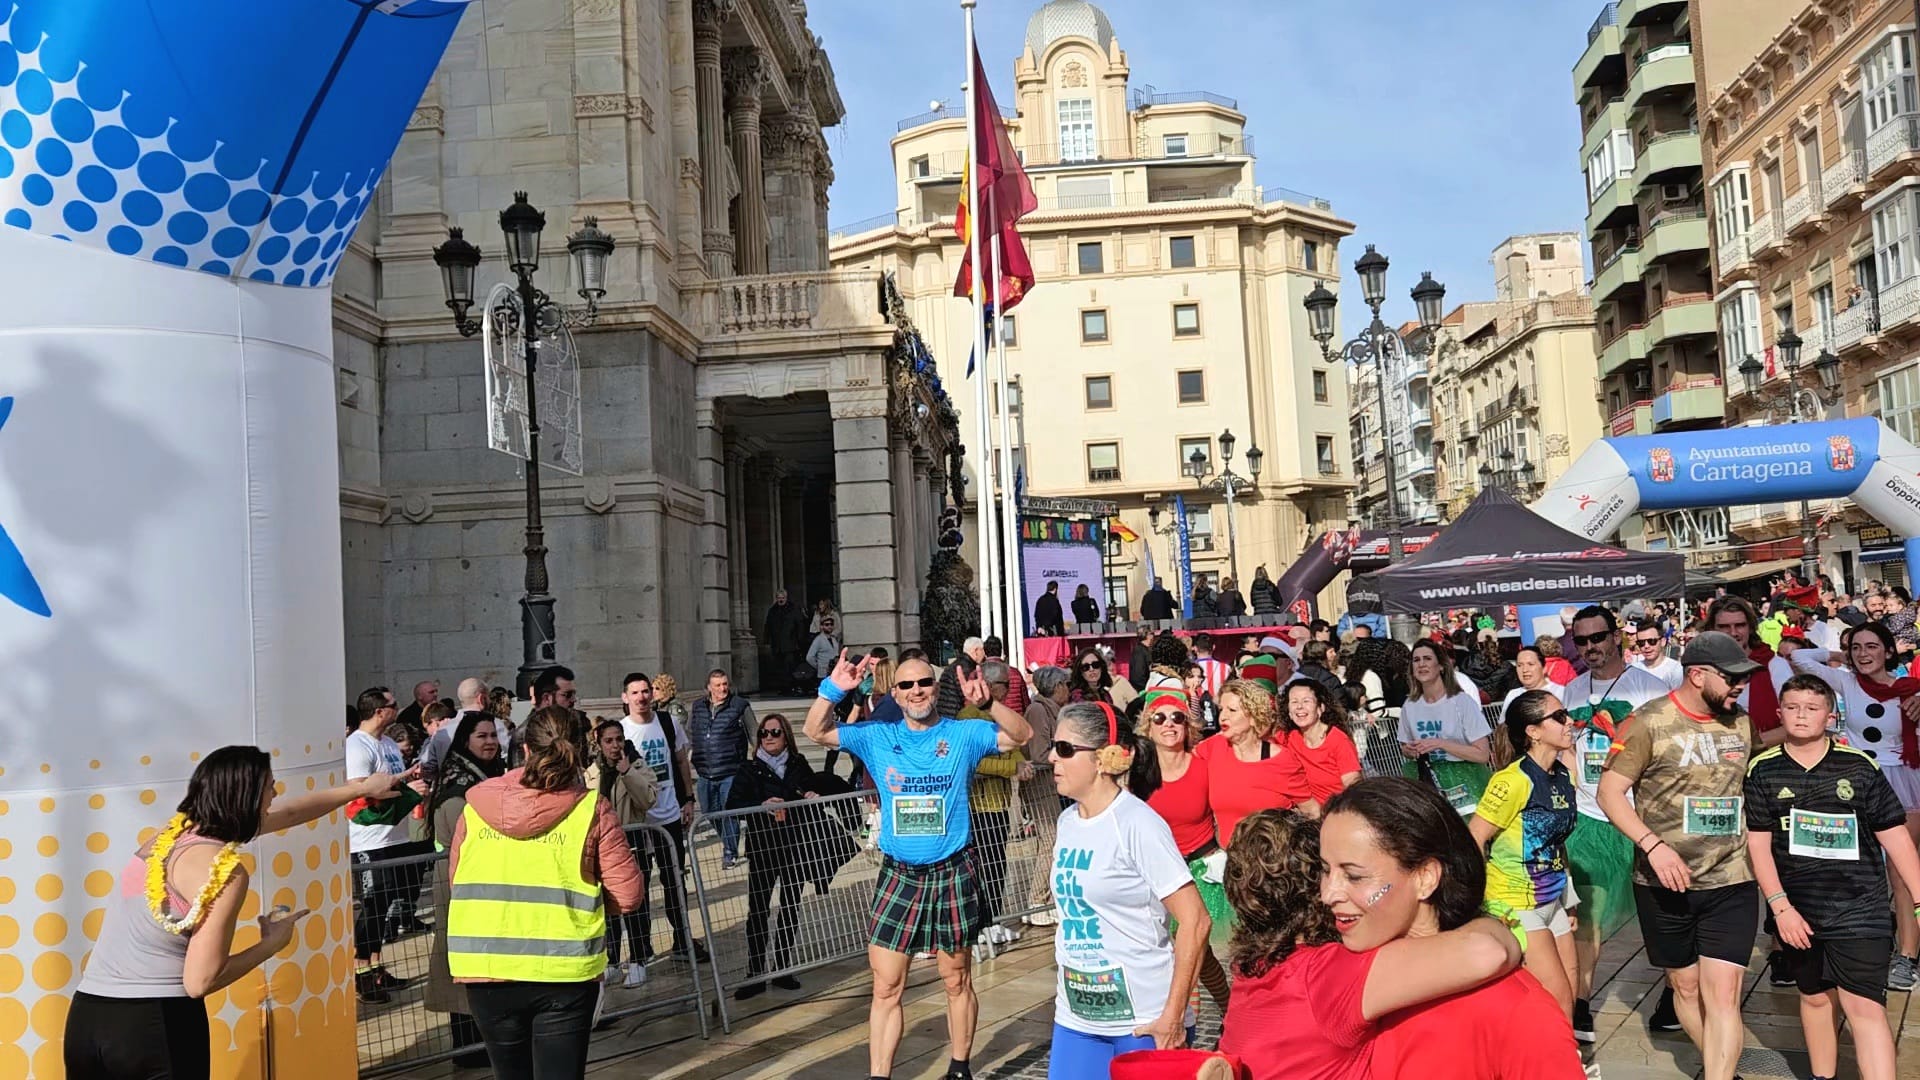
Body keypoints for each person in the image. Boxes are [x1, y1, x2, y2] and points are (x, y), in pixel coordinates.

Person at [63, 748, 402, 1080]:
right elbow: (200, 981)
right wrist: (272, 944)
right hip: (155, 1025)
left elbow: (290, 813)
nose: (276, 794)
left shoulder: (167, 838)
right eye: (270, 786)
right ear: (248, 797)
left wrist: (359, 789)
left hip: (87, 1019)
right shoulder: (225, 871)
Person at [802, 651, 1033, 1080]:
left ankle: (959, 1068)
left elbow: (1022, 735)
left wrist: (989, 704)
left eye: (924, 682)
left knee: (956, 977)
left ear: (936, 688)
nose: (916, 691)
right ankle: (879, 1076)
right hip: (900, 874)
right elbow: (814, 731)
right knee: (887, 985)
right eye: (906, 685)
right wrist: (833, 690)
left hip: (951, 870)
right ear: (895, 693)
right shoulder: (877, 735)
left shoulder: (963, 733)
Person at [1216, 808, 1528, 1080]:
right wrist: (1490, 921)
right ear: (1316, 886)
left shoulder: (1250, 970)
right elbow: (1489, 952)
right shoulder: (1327, 974)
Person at [1320, 778, 1584, 1078]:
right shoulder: (1327, 977)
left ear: (1425, 877)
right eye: (1325, 870)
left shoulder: (1516, 1010)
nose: (1328, 894)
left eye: (1354, 876)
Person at [1597, 631, 1762, 1080]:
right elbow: (1609, 793)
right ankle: (1721, 1066)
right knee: (1685, 988)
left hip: (1731, 877)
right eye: (1732, 677)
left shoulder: (1741, 723)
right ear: (1697, 675)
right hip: (1662, 881)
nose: (1740, 685)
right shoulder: (1647, 722)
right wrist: (1653, 846)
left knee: (1724, 993)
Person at [446, 706, 645, 1078]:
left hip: (487, 967)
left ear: (524, 750)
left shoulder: (474, 808)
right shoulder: (592, 809)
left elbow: (458, 881)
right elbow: (629, 895)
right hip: (563, 969)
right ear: (581, 751)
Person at [1745, 674, 1920, 1080]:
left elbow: (1896, 839)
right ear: (1779, 713)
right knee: (1815, 999)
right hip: (1799, 913)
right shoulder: (1763, 770)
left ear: (1830, 716)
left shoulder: (1858, 767)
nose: (1801, 715)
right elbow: (1758, 845)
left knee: (1864, 1007)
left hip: (1860, 910)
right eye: (1792, 707)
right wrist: (1780, 907)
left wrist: (1917, 898)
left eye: (1812, 708)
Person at [1046, 701, 1211, 1078]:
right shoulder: (1067, 821)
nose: (1052, 758)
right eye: (1053, 747)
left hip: (1143, 1021)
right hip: (1076, 1018)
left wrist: (1173, 1016)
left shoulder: (1138, 823)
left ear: (1103, 758)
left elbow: (1196, 921)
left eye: (1065, 749)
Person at [1559, 603, 1674, 1040]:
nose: (1590, 646)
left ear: (1616, 637)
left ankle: (1673, 993)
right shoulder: (1572, 691)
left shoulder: (1649, 689)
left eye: (1597, 637)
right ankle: (1581, 1002)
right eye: (1581, 640)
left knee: (1661, 915)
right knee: (1587, 914)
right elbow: (1567, 746)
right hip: (1589, 817)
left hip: (1640, 819)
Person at [1785, 621, 1920, 987]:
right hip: (1856, 781)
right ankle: (1861, 943)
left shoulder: (1911, 689)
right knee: (1851, 865)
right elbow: (1799, 656)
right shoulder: (1846, 681)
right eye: (1856, 647)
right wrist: (1839, 655)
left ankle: (1907, 956)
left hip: (1903, 783)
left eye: (1872, 646)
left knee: (1901, 871)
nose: (1863, 654)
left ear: (1889, 651)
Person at [1470, 690, 1581, 1018]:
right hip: (1515, 902)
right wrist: (1476, 901)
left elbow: (1557, 841)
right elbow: (1474, 836)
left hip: (1552, 899)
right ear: (1533, 731)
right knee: (1557, 998)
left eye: (1566, 713)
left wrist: (1569, 899)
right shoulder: (1512, 781)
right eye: (1558, 717)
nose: (1569, 722)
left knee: (1571, 987)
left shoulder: (1563, 775)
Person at [1126, 675, 1232, 1009]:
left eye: (1177, 718)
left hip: (1199, 873)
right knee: (1192, 955)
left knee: (1189, 951)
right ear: (1148, 725)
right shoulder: (1137, 772)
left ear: (1188, 725)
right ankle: (1227, 1009)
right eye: (1160, 718)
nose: (1169, 724)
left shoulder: (1204, 765)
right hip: (1154, 874)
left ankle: (1185, 1025)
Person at [424, 711, 507, 1066]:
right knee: (461, 960)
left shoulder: (488, 776)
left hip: (480, 878)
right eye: (481, 736)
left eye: (493, 735)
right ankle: (468, 1047)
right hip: (459, 881)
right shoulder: (459, 787)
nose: (490, 742)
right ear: (465, 741)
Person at [726, 713, 821, 999]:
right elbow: (733, 805)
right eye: (764, 733)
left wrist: (813, 795)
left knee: (790, 907)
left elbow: (814, 789)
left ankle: (782, 967)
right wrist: (761, 804)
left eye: (775, 732)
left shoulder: (798, 764)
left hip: (793, 846)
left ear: (786, 736)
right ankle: (755, 971)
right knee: (758, 910)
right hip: (763, 848)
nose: (768, 737)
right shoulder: (750, 768)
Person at [346, 686, 431, 1002]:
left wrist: (411, 779)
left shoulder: (389, 744)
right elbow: (361, 795)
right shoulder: (357, 746)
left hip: (395, 836)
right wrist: (408, 792)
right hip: (368, 841)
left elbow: (395, 782)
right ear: (380, 711)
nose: (398, 708)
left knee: (383, 908)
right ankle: (361, 974)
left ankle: (376, 967)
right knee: (371, 909)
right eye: (393, 704)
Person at [614, 673, 706, 964]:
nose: (641, 697)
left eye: (645, 691)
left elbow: (680, 761)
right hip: (637, 821)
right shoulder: (620, 731)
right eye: (635, 692)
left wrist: (688, 799)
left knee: (674, 880)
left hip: (669, 815)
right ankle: (642, 947)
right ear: (625, 697)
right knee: (639, 884)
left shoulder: (668, 722)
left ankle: (682, 939)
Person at [584, 719, 661, 989]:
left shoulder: (637, 765)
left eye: (619, 739)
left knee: (634, 904)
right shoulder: (592, 772)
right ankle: (612, 960)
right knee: (606, 906)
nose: (615, 745)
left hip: (632, 842)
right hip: (602, 846)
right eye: (609, 741)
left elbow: (649, 799)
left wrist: (627, 772)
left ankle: (639, 959)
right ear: (599, 743)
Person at [1195, 679, 1316, 849]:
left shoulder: (1281, 760)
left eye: (1232, 710)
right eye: (1221, 709)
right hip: (1229, 857)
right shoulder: (1212, 747)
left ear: (1253, 717)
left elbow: (1311, 811)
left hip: (1272, 859)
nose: (1223, 716)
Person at [1398, 640, 1493, 816]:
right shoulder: (1409, 706)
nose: (1421, 664)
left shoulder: (1461, 702)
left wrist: (1441, 743)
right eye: (1416, 660)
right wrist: (1410, 750)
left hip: (1465, 778)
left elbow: (1482, 754)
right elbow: (1405, 748)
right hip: (1427, 779)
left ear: (1441, 665)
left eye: (1427, 658)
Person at [689, 668, 756, 870]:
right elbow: (690, 733)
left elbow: (754, 734)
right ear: (709, 688)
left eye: (725, 684)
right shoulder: (698, 707)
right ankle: (728, 841)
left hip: (731, 770)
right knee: (710, 812)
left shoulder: (740, 706)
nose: (722, 689)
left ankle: (729, 851)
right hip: (705, 771)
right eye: (717, 685)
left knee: (730, 812)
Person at [1285, 680, 1361, 803]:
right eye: (1294, 702)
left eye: (1306, 701)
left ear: (1320, 708)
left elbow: (1353, 786)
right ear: (1289, 712)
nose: (1299, 706)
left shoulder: (1338, 740)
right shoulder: (1290, 738)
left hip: (1338, 808)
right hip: (1307, 811)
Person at [764, 588, 806, 693]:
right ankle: (783, 687)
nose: (781, 600)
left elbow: (800, 625)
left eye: (782, 598)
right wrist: (767, 640)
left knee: (790, 667)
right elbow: (768, 626)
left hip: (791, 645)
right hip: (777, 645)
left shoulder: (793, 609)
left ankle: (791, 686)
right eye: (779, 598)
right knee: (779, 667)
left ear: (786, 598)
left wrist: (800, 641)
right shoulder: (772, 611)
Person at [807, 614, 842, 678]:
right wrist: (819, 667)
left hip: (835, 673)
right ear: (821, 626)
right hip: (823, 674)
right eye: (827, 624)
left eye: (831, 624)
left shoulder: (834, 639)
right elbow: (809, 657)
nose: (829, 626)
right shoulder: (818, 639)